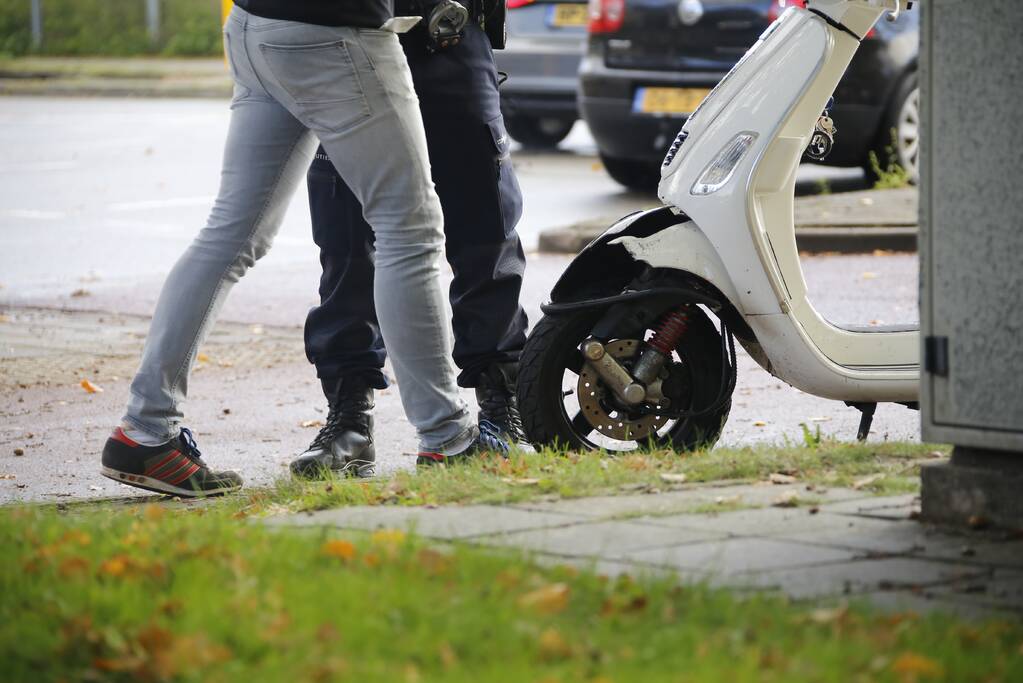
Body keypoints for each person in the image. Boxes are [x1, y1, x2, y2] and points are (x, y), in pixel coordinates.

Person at [100, 0, 507, 498]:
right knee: (409, 229)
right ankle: (448, 436)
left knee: (231, 234)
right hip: (334, 32)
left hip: (254, 26)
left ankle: (145, 430)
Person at [290, 0, 530, 479]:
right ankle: (349, 422)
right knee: (346, 240)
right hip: (347, 44)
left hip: (447, 33)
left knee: (486, 229)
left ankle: (503, 409)